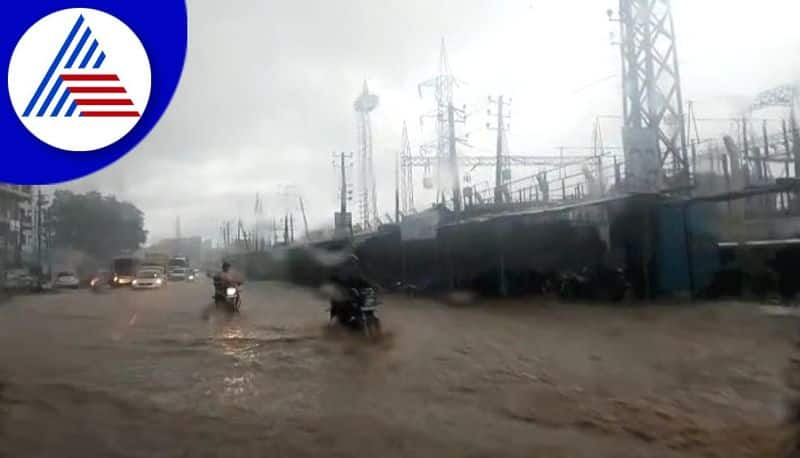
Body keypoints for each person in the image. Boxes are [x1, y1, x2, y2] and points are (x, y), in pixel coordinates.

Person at [328, 254, 375, 322]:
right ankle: (334, 322)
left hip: (358, 299)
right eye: (350, 263)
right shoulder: (338, 275)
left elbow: (365, 283)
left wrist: (373, 287)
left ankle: (372, 324)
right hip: (343, 300)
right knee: (336, 309)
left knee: (370, 308)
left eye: (354, 263)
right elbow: (333, 285)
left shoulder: (357, 275)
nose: (353, 265)